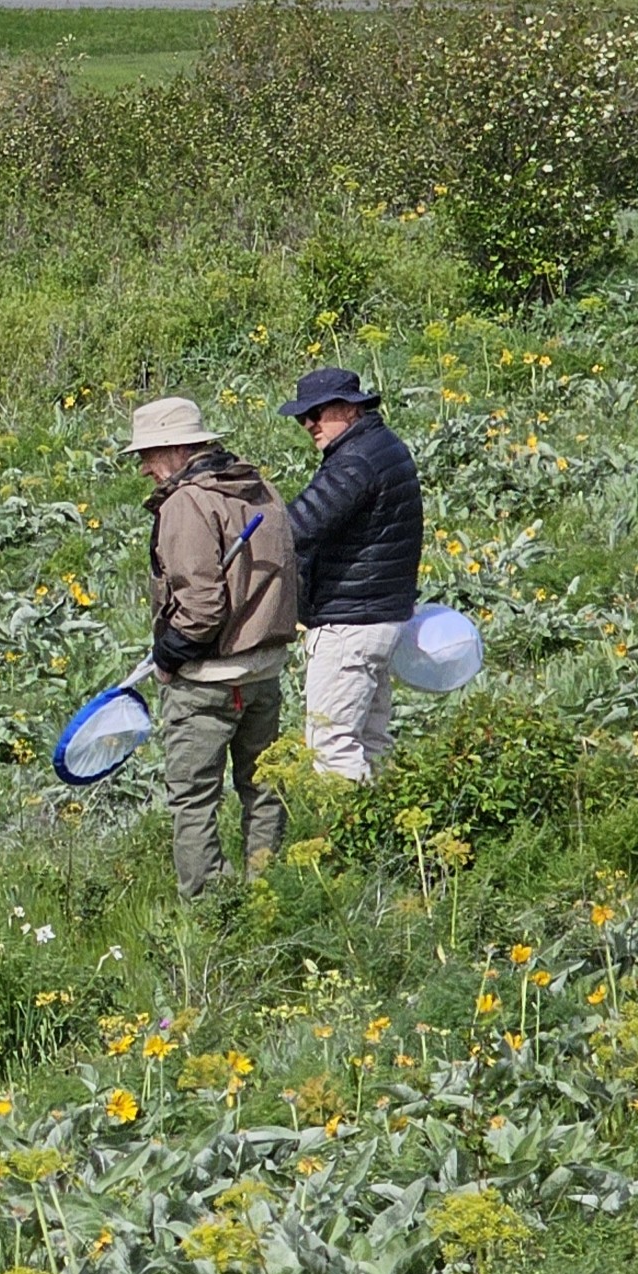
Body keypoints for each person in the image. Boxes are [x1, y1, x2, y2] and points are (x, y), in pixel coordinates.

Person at [128, 397, 303, 897]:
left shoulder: (186, 504)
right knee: (265, 789)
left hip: (206, 682)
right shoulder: (259, 489)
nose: (145, 469)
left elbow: (202, 609)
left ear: (178, 447)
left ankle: (212, 907)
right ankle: (266, 889)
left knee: (194, 799)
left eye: (149, 455)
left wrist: (168, 655)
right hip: (264, 671)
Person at [280, 365, 424, 781]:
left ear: (350, 409)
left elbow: (298, 527)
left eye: (317, 413)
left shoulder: (355, 461)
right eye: (303, 416)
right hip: (380, 616)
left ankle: (349, 842)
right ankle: (384, 832)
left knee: (332, 747)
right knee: (371, 743)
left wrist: (241, 542)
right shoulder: (382, 447)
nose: (308, 424)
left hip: (349, 622)